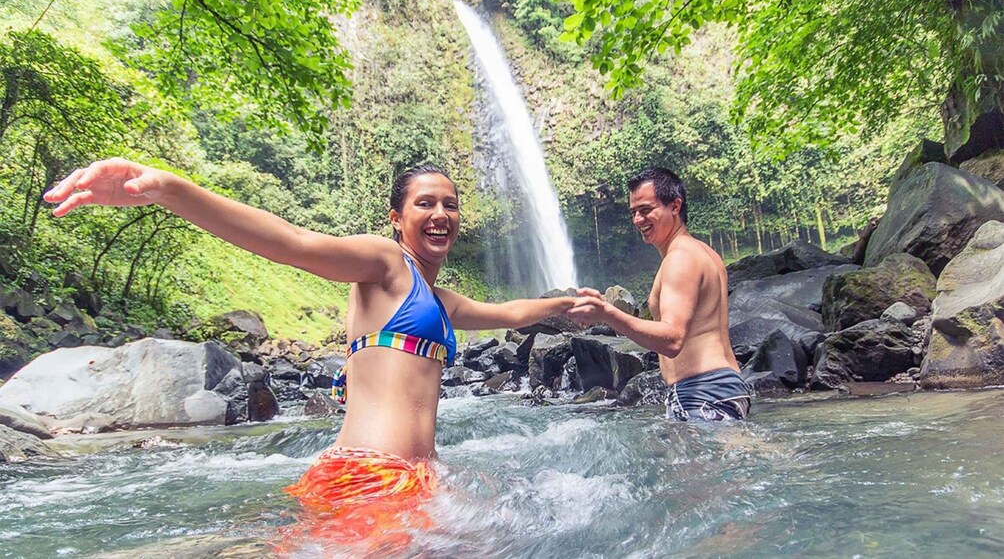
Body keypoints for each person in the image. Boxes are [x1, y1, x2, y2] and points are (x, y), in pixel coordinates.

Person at [44, 158, 584, 514]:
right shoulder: (385, 262)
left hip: (415, 479)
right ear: (397, 218)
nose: (441, 214)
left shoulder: (438, 301)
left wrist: (568, 304)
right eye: (425, 203)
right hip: (369, 477)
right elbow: (293, 243)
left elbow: (510, 312)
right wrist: (169, 189)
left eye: (450, 204)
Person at [568, 167, 751, 421]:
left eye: (645, 210)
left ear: (675, 206)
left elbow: (672, 339)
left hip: (701, 391)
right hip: (724, 386)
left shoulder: (680, 259)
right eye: (633, 212)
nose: (637, 220)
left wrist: (607, 314)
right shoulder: (703, 252)